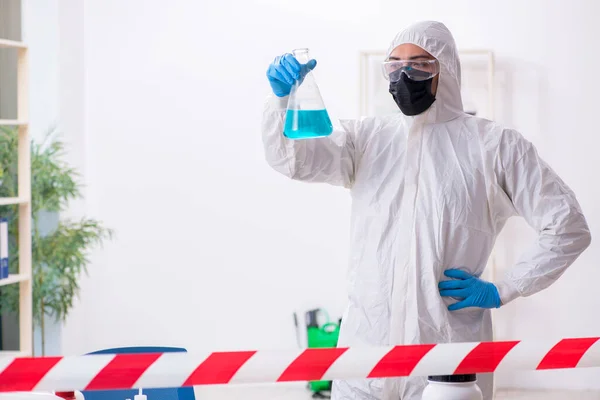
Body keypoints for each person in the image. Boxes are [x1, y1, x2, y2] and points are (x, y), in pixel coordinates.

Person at [262, 21, 591, 400]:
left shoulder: (494, 146)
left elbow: (568, 226)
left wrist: (504, 289)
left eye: (420, 65)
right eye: (395, 65)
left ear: (447, 70)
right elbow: (294, 161)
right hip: (365, 354)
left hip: (448, 358)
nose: (405, 75)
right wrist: (281, 100)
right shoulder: (366, 139)